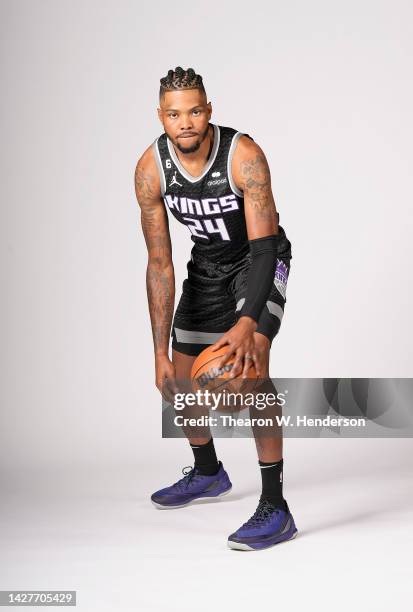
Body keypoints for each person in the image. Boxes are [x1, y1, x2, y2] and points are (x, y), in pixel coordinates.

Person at [134, 66, 297, 550]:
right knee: (180, 385)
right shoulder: (150, 169)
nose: (185, 122)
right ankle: (208, 473)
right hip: (206, 266)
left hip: (258, 260)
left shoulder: (242, 155)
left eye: (194, 111)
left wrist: (250, 324)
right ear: (161, 117)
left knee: (251, 370)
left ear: (209, 110)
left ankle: (277, 506)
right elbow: (159, 261)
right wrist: (159, 350)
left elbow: (265, 246)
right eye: (173, 114)